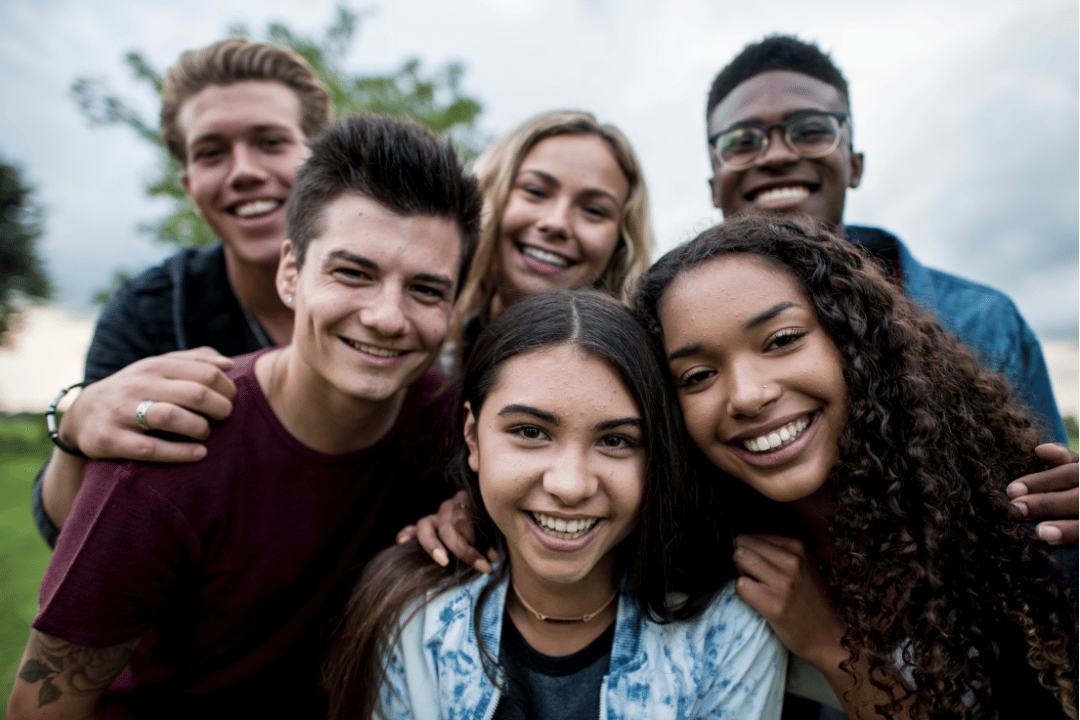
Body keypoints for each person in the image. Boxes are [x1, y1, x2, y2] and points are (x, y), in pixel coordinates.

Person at [7, 113, 482, 719]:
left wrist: (477, 511)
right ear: (291, 272)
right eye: (353, 273)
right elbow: (39, 709)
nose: (388, 316)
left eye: (425, 289)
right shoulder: (172, 449)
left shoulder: (453, 429)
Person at [633, 215, 1076, 720]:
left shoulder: (1024, 531)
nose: (748, 395)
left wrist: (833, 647)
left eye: (782, 340)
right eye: (697, 375)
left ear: (857, 341)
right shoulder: (703, 560)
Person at [324, 289, 787, 720]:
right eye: (530, 432)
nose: (570, 485)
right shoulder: (414, 615)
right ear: (473, 436)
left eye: (615, 440)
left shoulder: (724, 631)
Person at [702, 35, 1077, 553]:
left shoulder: (982, 323)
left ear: (853, 163)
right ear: (714, 182)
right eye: (742, 141)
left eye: (811, 130)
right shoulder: (669, 333)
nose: (778, 154)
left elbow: (1047, 520)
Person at [33, 36, 331, 547]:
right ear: (190, 186)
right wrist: (79, 427)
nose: (244, 172)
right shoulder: (149, 311)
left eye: (271, 142)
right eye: (212, 153)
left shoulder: (395, 297)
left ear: (322, 160)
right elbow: (69, 530)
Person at [449, 109, 654, 370]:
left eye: (593, 210)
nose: (557, 222)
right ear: (490, 196)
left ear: (621, 244)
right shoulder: (423, 359)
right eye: (535, 191)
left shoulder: (642, 381)